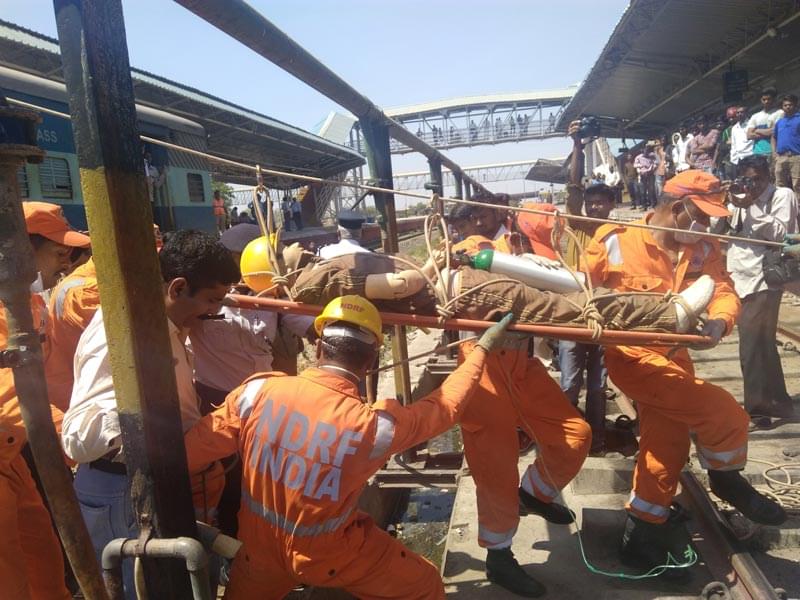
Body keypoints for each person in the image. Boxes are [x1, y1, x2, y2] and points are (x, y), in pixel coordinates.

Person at [183, 296, 515, 599]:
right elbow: (446, 407)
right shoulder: (374, 428)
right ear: (370, 362)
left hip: (258, 555)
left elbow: (192, 454)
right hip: (328, 556)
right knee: (424, 585)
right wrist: (479, 349)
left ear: (318, 349)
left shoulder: (256, 394)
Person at [582, 170, 787, 578]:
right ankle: (726, 479)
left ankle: (643, 527)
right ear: (677, 209)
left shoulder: (701, 246)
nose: (708, 225)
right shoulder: (613, 241)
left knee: (668, 440)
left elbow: (724, 287)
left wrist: (720, 321)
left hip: (677, 356)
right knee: (723, 412)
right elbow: (579, 293)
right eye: (702, 215)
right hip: (634, 357)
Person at [62, 230, 240, 597]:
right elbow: (77, 435)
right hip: (120, 490)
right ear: (177, 288)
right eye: (211, 300)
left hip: (144, 487)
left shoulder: (169, 327)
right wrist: (164, 428)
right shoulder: (121, 336)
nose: (213, 312)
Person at [191, 224, 313, 538]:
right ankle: (233, 550)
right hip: (217, 403)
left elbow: (306, 323)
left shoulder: (273, 297)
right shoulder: (207, 297)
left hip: (262, 405)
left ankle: (268, 543)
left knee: (266, 479)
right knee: (229, 482)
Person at [1, 202, 90, 600]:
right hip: (21, 439)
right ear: (21, 250)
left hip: (16, 452)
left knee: (44, 554)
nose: (66, 263)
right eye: (58, 253)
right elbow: (8, 391)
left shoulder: (31, 302)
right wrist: (71, 435)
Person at [725, 155, 798, 425]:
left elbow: (781, 234)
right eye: (748, 180)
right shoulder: (740, 197)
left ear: (768, 175)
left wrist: (751, 204)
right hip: (739, 276)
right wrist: (727, 203)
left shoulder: (782, 195)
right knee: (763, 343)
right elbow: (726, 231)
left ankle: (756, 409)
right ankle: (779, 402)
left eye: (757, 179)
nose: (753, 185)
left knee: (751, 343)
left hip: (765, 277)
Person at [747, 87, 784, 168]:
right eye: (764, 99)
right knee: (761, 179)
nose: (766, 101)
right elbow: (749, 135)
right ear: (761, 100)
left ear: (773, 99)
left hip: (774, 152)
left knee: (775, 178)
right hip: (758, 153)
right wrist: (767, 132)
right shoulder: (755, 116)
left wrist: (757, 130)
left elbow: (774, 131)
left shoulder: (780, 113)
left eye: (769, 99)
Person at [773, 93, 800, 190]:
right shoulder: (780, 122)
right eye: (785, 105)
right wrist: (774, 153)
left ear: (795, 105)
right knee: (779, 184)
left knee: (797, 184)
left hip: (796, 156)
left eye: (790, 105)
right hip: (781, 157)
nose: (788, 107)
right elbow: (774, 137)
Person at [729, 106, 754, 174]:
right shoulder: (734, 128)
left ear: (747, 113)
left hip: (751, 155)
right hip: (739, 158)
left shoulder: (751, 124)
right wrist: (733, 159)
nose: (739, 114)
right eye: (738, 113)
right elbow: (733, 145)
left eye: (742, 112)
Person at [634, 142, 658, 209]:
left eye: (648, 150)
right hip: (643, 175)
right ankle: (644, 205)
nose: (646, 152)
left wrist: (653, 167)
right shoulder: (638, 157)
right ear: (642, 150)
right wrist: (641, 165)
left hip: (650, 174)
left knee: (651, 189)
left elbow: (656, 163)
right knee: (643, 190)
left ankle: (653, 204)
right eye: (645, 150)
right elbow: (635, 165)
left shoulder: (652, 155)